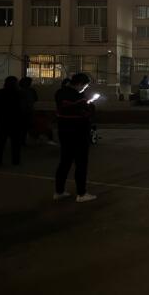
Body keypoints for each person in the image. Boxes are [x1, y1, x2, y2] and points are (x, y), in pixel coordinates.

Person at [54, 73, 97, 202]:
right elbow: (85, 113)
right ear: (79, 84)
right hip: (79, 133)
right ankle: (81, 193)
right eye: (85, 86)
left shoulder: (60, 93)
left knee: (65, 162)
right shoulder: (79, 97)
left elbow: (64, 109)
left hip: (64, 131)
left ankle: (59, 191)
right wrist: (89, 105)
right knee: (81, 164)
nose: (85, 88)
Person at [0, 76, 25, 166]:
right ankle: (15, 161)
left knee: (0, 143)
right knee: (16, 143)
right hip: (16, 122)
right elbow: (22, 108)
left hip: (2, 121)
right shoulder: (20, 94)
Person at [19, 77, 38, 145]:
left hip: (23, 111)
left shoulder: (19, 90)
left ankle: (22, 140)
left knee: (23, 127)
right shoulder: (31, 91)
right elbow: (35, 99)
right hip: (27, 110)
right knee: (26, 126)